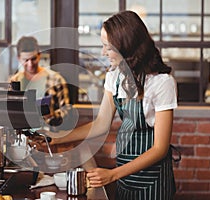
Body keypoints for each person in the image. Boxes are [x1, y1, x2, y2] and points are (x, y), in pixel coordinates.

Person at [49, 10, 178, 200]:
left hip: (153, 181)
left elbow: (160, 148)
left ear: (126, 47)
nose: (103, 53)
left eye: (107, 47)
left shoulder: (161, 83)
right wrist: (55, 138)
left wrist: (112, 174)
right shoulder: (114, 76)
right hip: (125, 178)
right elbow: (101, 123)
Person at [9, 36, 70, 130]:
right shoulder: (14, 81)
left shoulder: (56, 80)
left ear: (39, 55)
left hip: (49, 134)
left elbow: (67, 110)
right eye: (26, 60)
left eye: (33, 59)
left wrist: (53, 115)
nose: (30, 64)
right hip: (21, 135)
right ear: (19, 58)